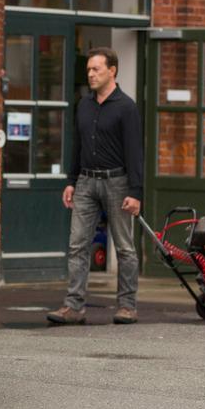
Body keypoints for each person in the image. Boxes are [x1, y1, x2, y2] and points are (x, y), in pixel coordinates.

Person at [47, 47, 143, 326]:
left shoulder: (126, 107)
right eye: (88, 69)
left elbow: (135, 151)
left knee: (124, 247)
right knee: (77, 245)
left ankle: (127, 306)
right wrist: (71, 181)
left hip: (117, 182)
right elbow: (77, 145)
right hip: (86, 182)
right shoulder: (84, 105)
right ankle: (73, 306)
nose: (90, 74)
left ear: (112, 71)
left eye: (96, 69)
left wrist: (135, 192)